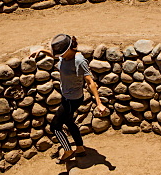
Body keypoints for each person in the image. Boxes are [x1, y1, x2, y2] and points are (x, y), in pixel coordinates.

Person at [35, 34, 108, 162]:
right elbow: (56, 56)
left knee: (55, 127)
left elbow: (90, 82)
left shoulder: (79, 61)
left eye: (61, 53)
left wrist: (99, 103)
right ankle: (80, 148)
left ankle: (68, 150)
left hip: (72, 99)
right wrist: (41, 51)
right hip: (67, 96)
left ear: (69, 49)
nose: (59, 55)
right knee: (69, 122)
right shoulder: (64, 56)